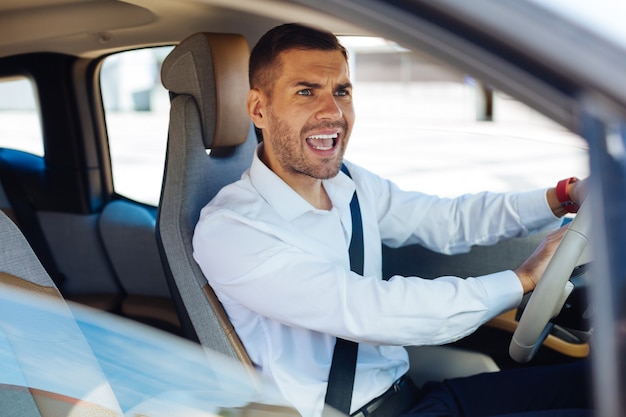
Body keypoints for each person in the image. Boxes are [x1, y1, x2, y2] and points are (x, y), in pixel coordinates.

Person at [192, 23, 593, 417]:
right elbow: (370, 311)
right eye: (305, 92)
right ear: (259, 109)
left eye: (341, 91)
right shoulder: (231, 229)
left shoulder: (348, 182)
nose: (332, 112)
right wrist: (521, 281)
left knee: (600, 382)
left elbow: (446, 219)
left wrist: (563, 196)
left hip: (415, 398)